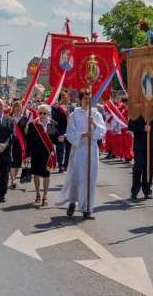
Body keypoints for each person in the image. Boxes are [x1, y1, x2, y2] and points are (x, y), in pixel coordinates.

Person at [56, 89, 106, 220]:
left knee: (90, 178)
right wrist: (83, 134)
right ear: (80, 100)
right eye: (85, 99)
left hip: (92, 149)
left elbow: (102, 131)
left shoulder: (96, 114)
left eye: (89, 99)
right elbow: (70, 133)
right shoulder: (75, 115)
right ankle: (73, 202)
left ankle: (87, 208)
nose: (87, 101)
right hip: (79, 149)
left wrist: (93, 123)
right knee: (77, 178)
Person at [25, 104, 63, 207]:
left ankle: (45, 196)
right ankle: (38, 193)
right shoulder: (33, 124)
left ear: (48, 114)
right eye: (40, 113)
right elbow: (29, 141)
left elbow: (55, 139)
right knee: (36, 174)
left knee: (47, 175)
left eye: (44, 113)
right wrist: (27, 155)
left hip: (48, 154)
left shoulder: (54, 124)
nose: (42, 115)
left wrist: (59, 140)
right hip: (36, 153)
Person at [128, 115, 153, 200]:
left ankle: (147, 191)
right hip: (139, 143)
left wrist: (151, 117)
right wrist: (142, 128)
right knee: (138, 167)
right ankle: (135, 190)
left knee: (149, 168)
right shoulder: (135, 112)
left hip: (151, 143)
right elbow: (131, 126)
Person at [52, 92, 74, 173]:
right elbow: (54, 118)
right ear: (61, 99)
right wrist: (65, 115)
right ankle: (60, 165)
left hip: (70, 131)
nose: (65, 99)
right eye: (63, 97)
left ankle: (66, 165)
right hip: (61, 131)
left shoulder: (72, 108)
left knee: (69, 149)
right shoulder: (56, 108)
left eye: (66, 97)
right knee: (60, 148)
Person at [9, 100, 28, 189]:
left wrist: (26, 130)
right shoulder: (9, 117)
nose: (18, 108)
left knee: (18, 162)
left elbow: (25, 131)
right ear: (13, 108)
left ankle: (14, 178)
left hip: (21, 143)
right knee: (12, 161)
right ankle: (13, 180)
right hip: (11, 142)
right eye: (16, 106)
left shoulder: (24, 118)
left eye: (20, 106)